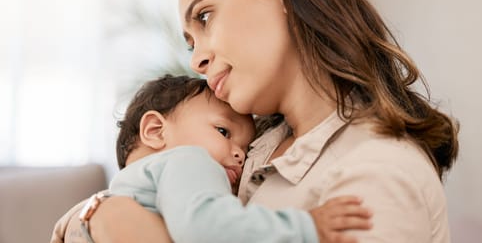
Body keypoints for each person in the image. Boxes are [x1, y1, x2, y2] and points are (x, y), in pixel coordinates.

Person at [55, 0, 460, 242]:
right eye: (190, 42)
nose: (196, 59)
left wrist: (104, 219)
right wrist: (97, 215)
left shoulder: (377, 172)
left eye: (206, 16)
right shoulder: (250, 146)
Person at [51, 74, 372, 243]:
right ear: (155, 130)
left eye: (246, 149)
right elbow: (206, 228)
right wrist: (305, 228)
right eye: (223, 131)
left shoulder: (120, 194)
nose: (238, 153)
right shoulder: (188, 160)